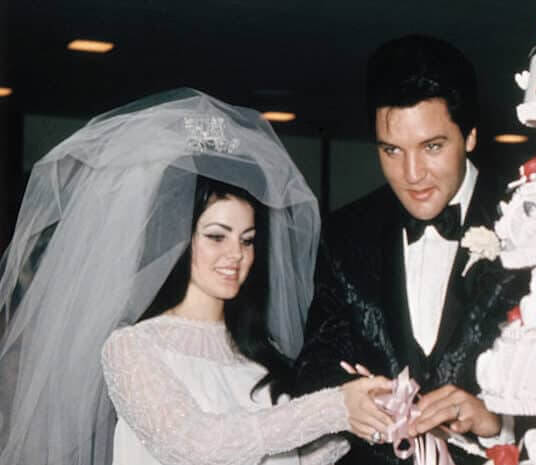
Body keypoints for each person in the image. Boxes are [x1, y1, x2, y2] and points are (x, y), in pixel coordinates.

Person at [0, 89, 392, 465]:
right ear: (177, 240)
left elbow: (292, 454)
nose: (236, 255)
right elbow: (199, 445)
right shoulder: (132, 348)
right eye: (216, 236)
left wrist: (364, 414)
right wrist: (335, 408)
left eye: (248, 239)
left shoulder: (261, 349)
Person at [293, 35, 528, 465]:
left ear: (471, 135)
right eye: (391, 151)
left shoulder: (533, 225)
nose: (412, 174)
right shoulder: (346, 233)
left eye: (432, 147)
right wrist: (346, 400)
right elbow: (313, 368)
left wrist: (497, 423)